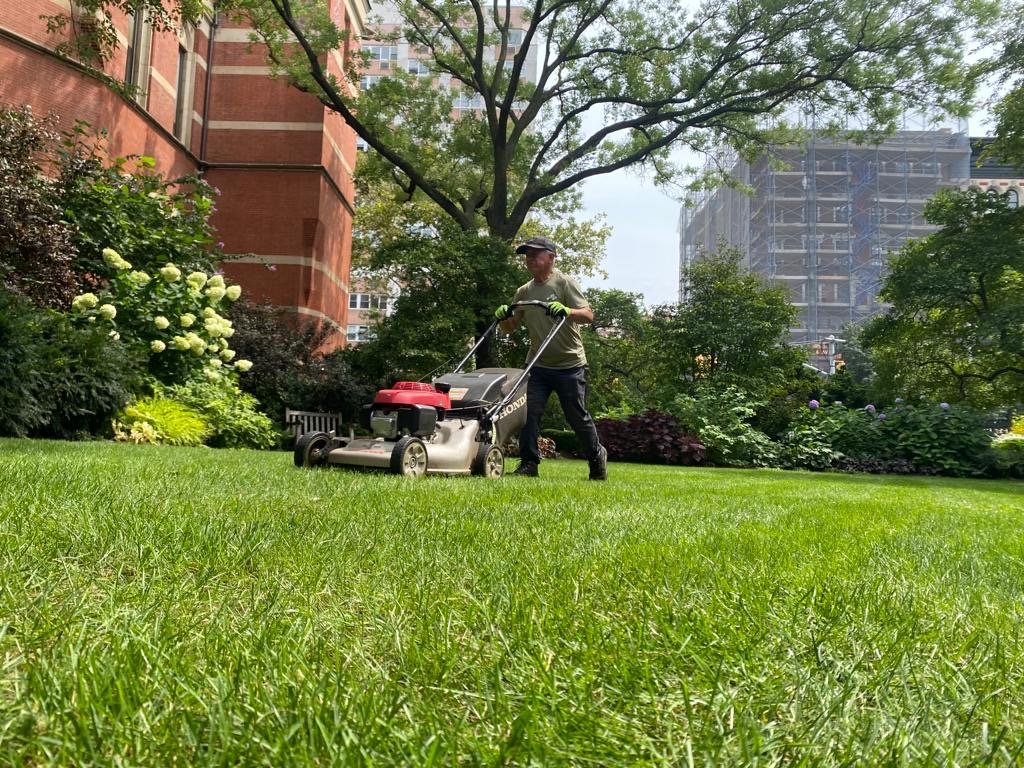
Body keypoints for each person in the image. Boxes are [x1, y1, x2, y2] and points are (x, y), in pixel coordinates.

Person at [494, 236, 608, 480]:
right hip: (537, 365)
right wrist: (504, 315)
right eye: (527, 255)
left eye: (536, 254)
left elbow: (588, 315)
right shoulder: (524, 291)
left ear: (551, 257)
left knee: (576, 416)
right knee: (528, 414)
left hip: (570, 365)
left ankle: (597, 458)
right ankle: (529, 464)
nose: (530, 259)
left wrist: (568, 311)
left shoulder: (564, 283)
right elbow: (509, 327)